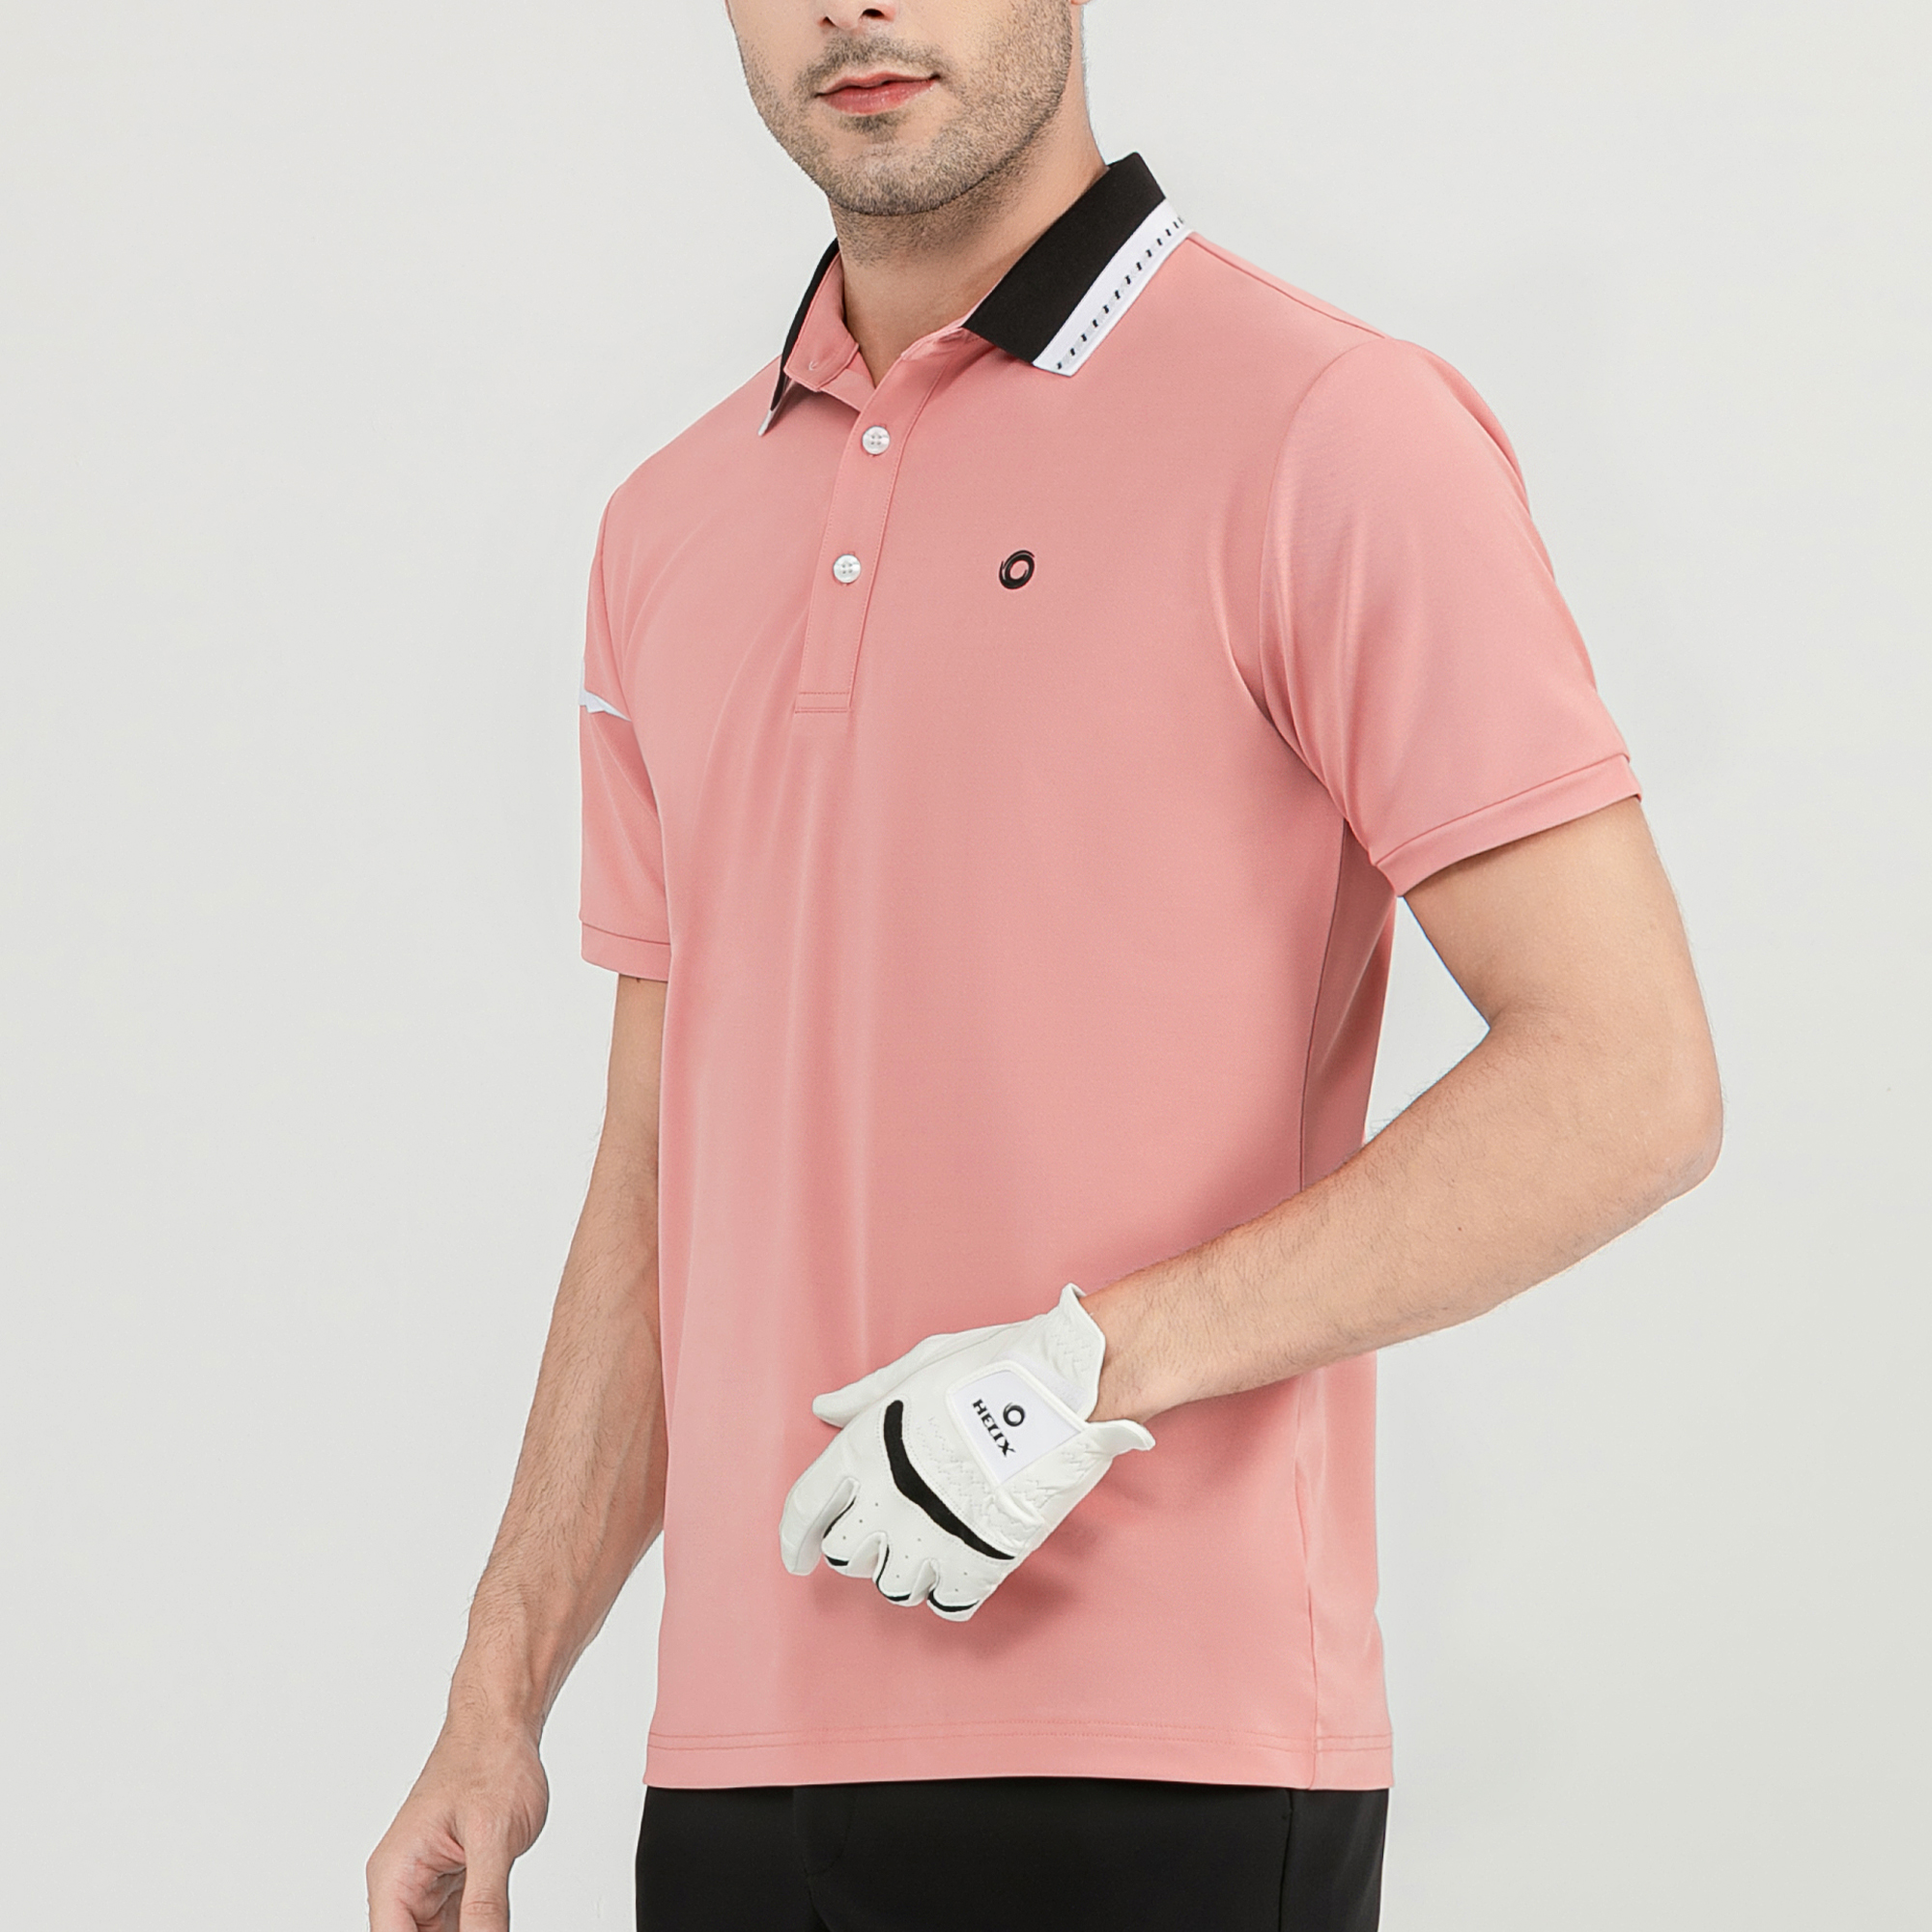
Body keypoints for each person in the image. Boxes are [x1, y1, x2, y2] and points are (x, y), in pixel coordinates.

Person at [367, 2, 1723, 1927]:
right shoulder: (663, 527)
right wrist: (498, 1692)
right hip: (736, 1771)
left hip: (1165, 1767)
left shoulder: (1328, 429)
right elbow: (661, 1172)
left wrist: (1084, 1368)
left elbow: (1627, 1075)